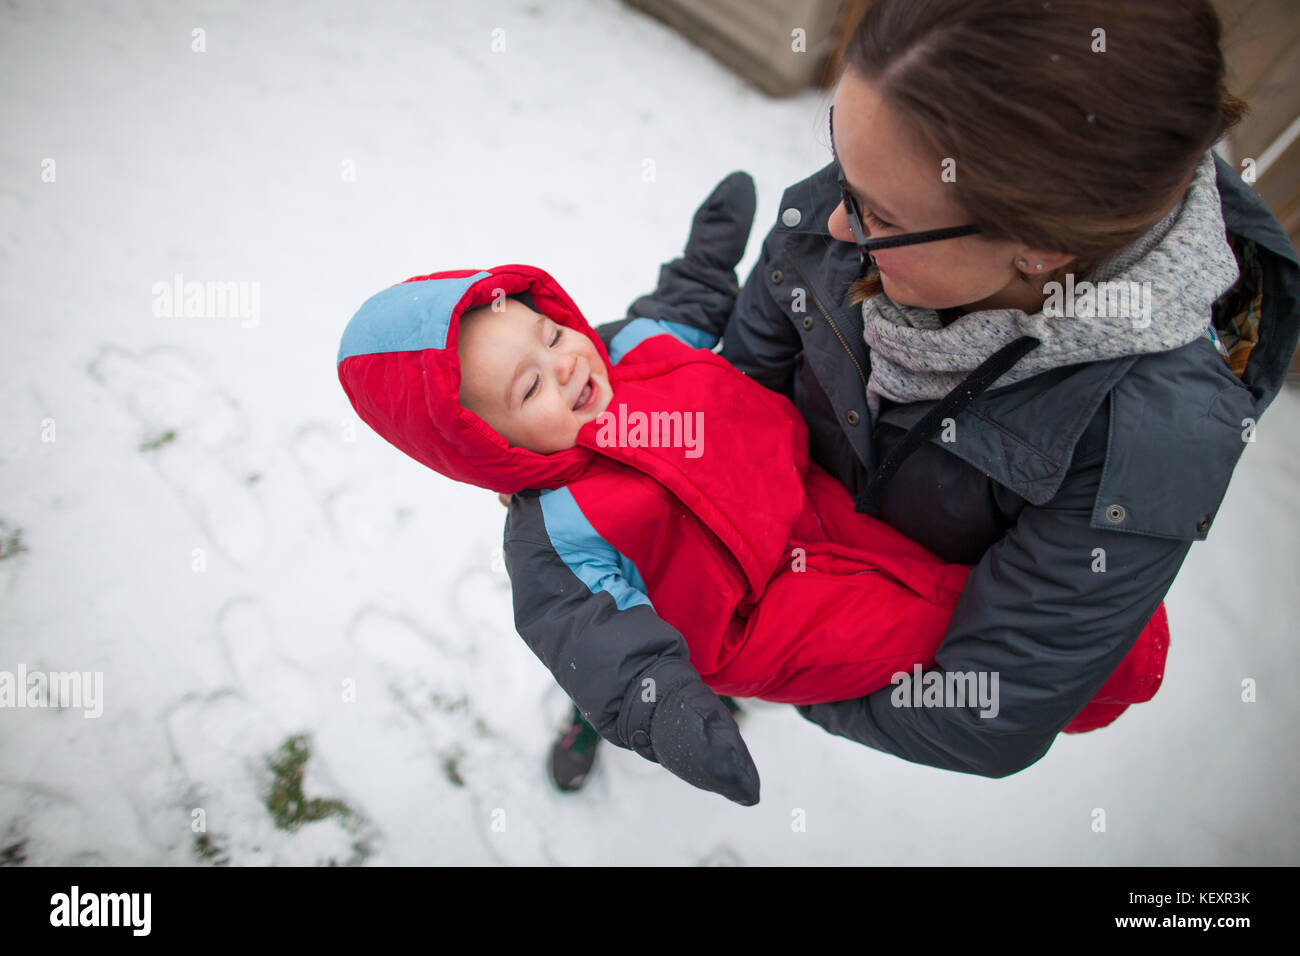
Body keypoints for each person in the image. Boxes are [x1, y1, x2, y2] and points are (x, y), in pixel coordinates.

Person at [497, 0, 1300, 787]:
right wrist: (619, 427)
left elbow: (981, 709)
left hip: (850, 619)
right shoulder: (880, 193)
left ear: (1040, 252)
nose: (835, 226)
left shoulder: (1146, 439)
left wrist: (762, 661)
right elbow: (741, 387)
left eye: (876, 212)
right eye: (842, 171)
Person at [335, 175, 1172, 806]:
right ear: (491, 446)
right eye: (529, 391)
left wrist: (705, 257)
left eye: (553, 332)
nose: (566, 364)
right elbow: (592, 639)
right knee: (926, 634)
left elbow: (689, 305)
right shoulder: (554, 531)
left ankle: (1110, 644)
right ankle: (610, 728)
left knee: (962, 578)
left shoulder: (633, 347)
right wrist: (660, 710)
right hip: (761, 618)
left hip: (807, 500)